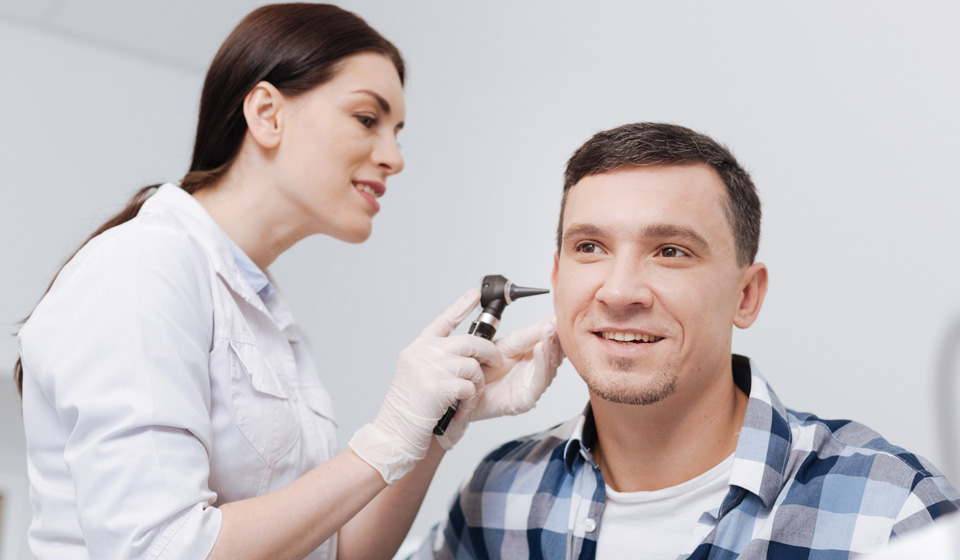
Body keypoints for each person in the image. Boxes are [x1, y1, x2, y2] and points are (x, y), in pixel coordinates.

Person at [14, 4, 562, 559]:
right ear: (267, 113)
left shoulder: (273, 322)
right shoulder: (142, 267)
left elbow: (337, 551)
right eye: (367, 120)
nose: (394, 158)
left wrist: (433, 429)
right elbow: (163, 549)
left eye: (396, 132)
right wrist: (384, 441)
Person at [415, 122, 960, 559]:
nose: (620, 291)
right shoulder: (501, 495)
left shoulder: (893, 513)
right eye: (590, 247)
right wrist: (422, 435)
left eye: (671, 251)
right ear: (557, 282)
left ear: (747, 296)